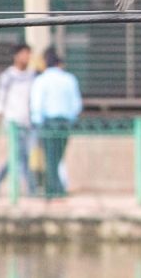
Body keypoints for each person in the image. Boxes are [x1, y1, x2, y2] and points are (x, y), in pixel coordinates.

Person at [30, 47, 82, 198]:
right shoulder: (69, 79)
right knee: (57, 157)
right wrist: (71, 120)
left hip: (48, 123)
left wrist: (37, 123)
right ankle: (55, 188)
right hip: (65, 123)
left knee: (51, 158)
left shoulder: (41, 80)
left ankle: (53, 189)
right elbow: (76, 105)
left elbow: (37, 104)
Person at [0, 43, 37, 196]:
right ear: (16, 56)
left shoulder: (32, 75)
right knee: (22, 156)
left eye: (29, 54)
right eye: (24, 54)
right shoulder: (7, 76)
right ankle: (32, 190)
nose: (27, 57)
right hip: (12, 123)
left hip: (28, 123)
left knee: (17, 156)